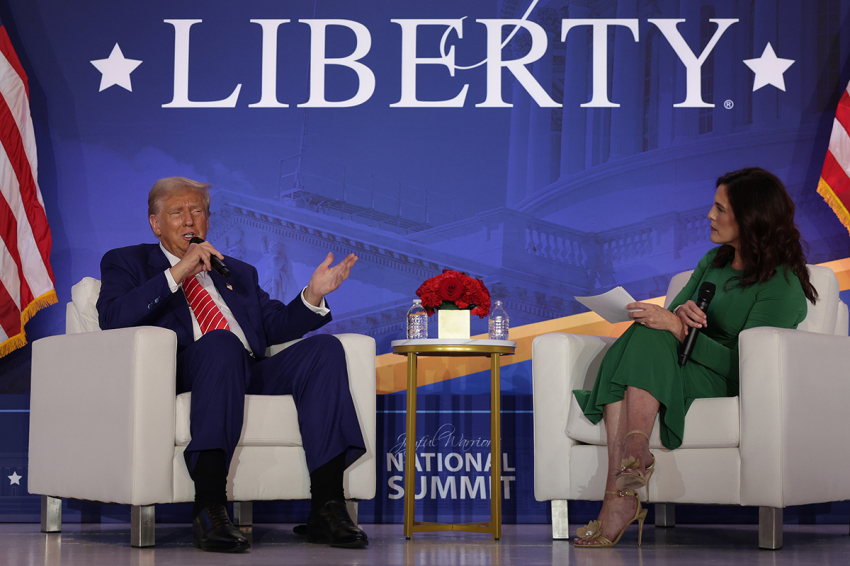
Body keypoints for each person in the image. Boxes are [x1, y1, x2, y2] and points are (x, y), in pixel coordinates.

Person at [96, 177, 368, 553]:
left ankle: (327, 505)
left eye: (198, 211)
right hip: (185, 370)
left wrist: (312, 295)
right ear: (156, 223)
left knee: (323, 350)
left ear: (208, 220)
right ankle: (209, 507)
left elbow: (272, 324)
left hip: (246, 369)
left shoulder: (236, 271)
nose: (190, 221)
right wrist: (179, 272)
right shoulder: (127, 261)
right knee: (221, 345)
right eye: (177, 213)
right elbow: (112, 318)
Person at [572, 168, 818, 548]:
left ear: (751, 218)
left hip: (724, 377)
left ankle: (618, 496)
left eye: (720, 209)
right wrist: (679, 316)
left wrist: (681, 330)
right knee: (645, 331)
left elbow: (746, 369)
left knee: (634, 356)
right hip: (677, 362)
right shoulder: (713, 261)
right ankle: (635, 454)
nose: (709, 216)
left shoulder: (781, 285)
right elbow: (666, 320)